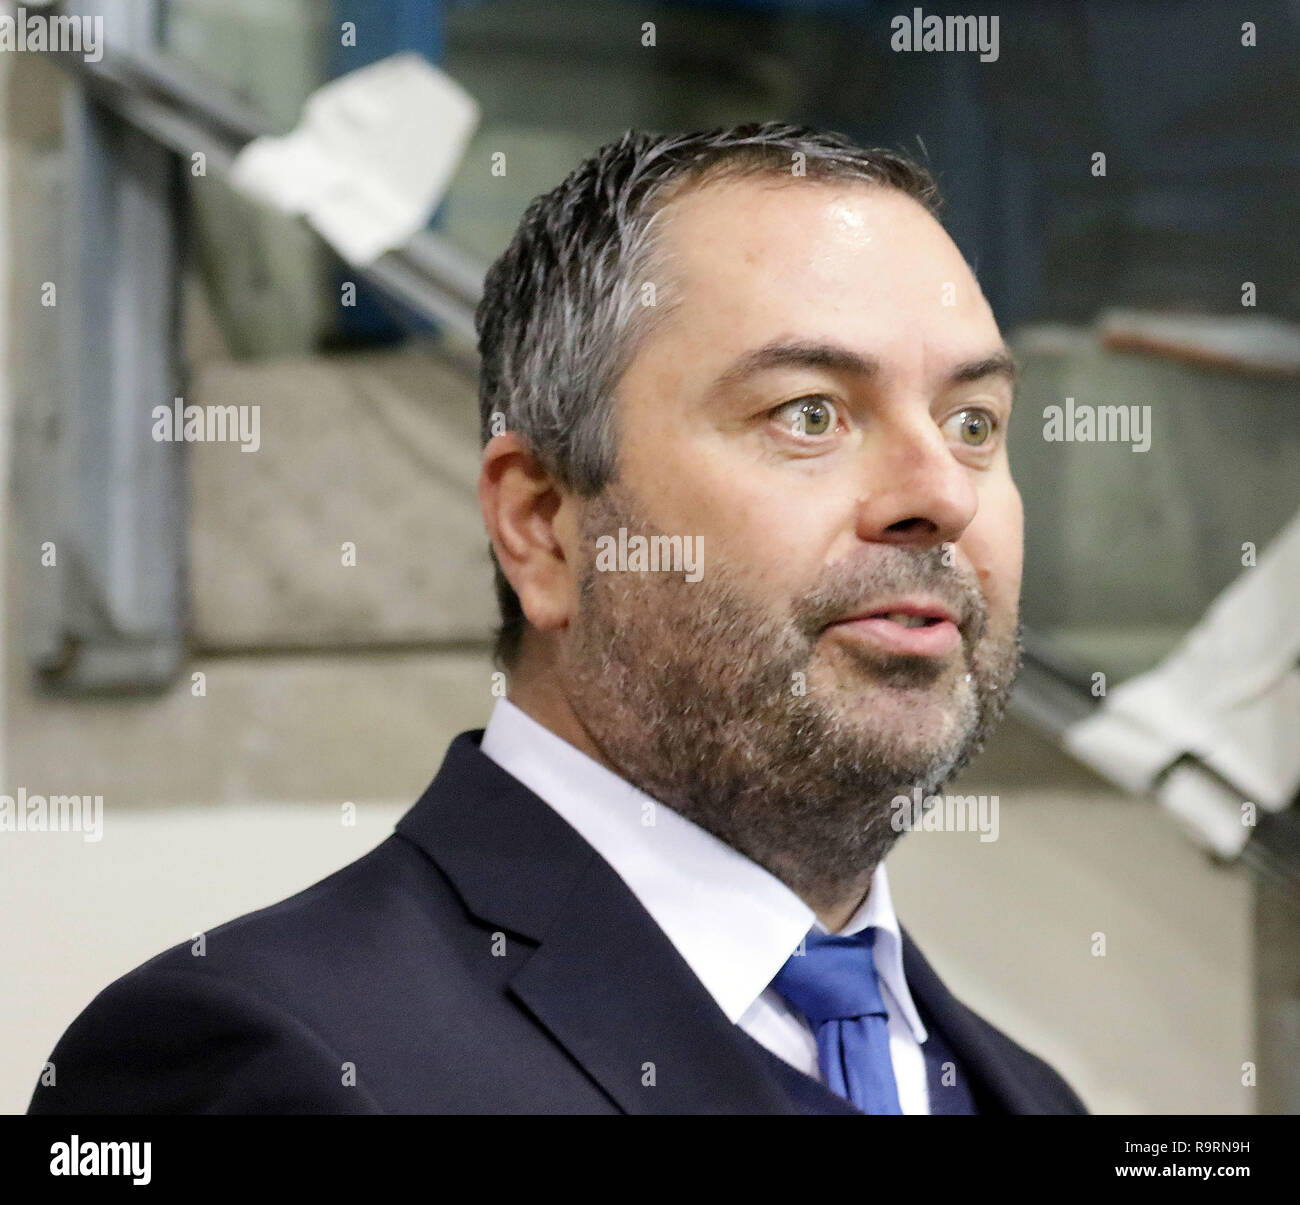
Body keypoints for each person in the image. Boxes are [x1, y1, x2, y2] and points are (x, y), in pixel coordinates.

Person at [29, 121, 1085, 1115]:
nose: (940, 492)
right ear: (541, 523)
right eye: (808, 412)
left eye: (972, 422)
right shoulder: (261, 1062)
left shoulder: (1032, 1094)